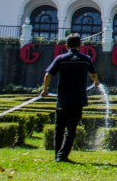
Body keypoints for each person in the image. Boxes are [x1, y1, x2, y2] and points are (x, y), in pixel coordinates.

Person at [41, 33, 99, 162]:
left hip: (63, 99)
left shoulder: (61, 58)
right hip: (78, 99)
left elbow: (48, 74)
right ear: (80, 45)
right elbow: (93, 74)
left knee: (59, 128)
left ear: (66, 46)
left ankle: (58, 155)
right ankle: (62, 156)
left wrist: (45, 89)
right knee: (71, 129)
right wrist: (96, 83)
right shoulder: (85, 59)